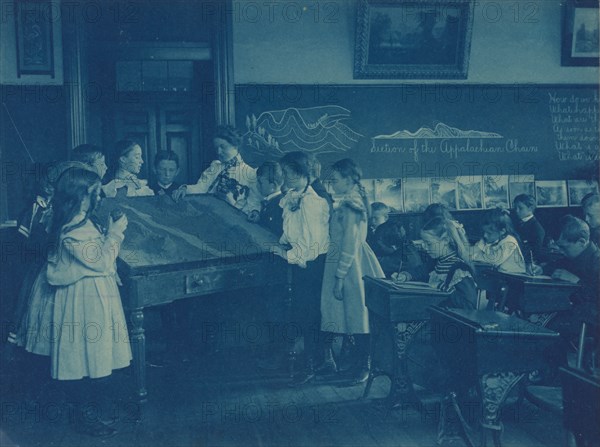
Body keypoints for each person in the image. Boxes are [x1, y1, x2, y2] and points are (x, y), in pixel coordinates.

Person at [46, 167, 132, 436]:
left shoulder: (81, 220)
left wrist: (107, 231)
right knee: (84, 355)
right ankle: (85, 416)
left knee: (93, 354)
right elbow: (102, 260)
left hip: (93, 294)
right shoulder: (74, 228)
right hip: (83, 298)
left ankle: (90, 411)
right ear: (83, 194)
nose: (100, 196)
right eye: (96, 192)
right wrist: (116, 232)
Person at [320, 159, 385, 385]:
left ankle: (364, 367)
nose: (332, 184)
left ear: (348, 180)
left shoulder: (351, 206)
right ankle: (357, 364)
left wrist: (339, 277)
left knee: (358, 315)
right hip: (347, 262)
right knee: (351, 315)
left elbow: (349, 243)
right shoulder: (350, 201)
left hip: (351, 265)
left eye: (335, 180)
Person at [270, 152, 329, 386]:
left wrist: (287, 254)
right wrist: (283, 242)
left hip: (313, 264)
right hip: (300, 263)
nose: (284, 177)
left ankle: (311, 365)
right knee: (302, 313)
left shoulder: (313, 201)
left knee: (309, 315)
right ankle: (315, 361)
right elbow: (292, 230)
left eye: (288, 173)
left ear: (303, 174)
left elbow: (312, 246)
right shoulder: (295, 195)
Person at [394, 216, 478, 310]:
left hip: (451, 319)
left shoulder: (459, 269)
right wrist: (405, 275)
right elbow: (420, 271)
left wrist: (447, 290)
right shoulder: (437, 262)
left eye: (428, 243)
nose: (425, 247)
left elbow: (469, 306)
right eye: (423, 243)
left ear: (445, 241)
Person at [186, 125, 260, 214]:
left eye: (223, 147)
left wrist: (254, 211)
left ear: (235, 145)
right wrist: (185, 189)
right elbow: (201, 188)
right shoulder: (214, 168)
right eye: (216, 148)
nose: (218, 152)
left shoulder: (250, 173)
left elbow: (254, 202)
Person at [471, 208, 527, 274]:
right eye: (484, 232)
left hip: (514, 277)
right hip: (499, 275)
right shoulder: (491, 239)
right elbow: (471, 251)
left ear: (502, 231)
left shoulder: (510, 241)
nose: (485, 235)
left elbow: (493, 260)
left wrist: (474, 256)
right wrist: (480, 246)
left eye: (489, 233)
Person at [248, 160, 284, 238]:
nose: (257, 185)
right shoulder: (270, 201)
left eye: (260, 183)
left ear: (273, 186)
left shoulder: (279, 206)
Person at [512, 194, 546, 263]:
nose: (517, 211)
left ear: (530, 208)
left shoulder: (536, 228)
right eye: (515, 208)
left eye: (520, 208)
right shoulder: (519, 222)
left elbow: (536, 253)